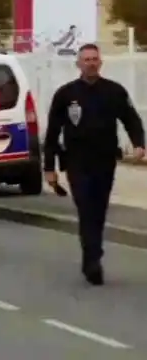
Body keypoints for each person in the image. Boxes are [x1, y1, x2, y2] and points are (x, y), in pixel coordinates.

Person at [43, 43, 145, 285]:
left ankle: (92, 256)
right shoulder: (66, 94)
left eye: (94, 59)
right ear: (78, 64)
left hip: (105, 161)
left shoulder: (114, 91)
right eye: (86, 59)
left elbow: (131, 119)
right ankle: (93, 261)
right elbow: (52, 133)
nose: (90, 63)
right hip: (76, 161)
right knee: (86, 208)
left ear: (100, 62)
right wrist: (49, 168)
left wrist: (139, 144)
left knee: (98, 211)